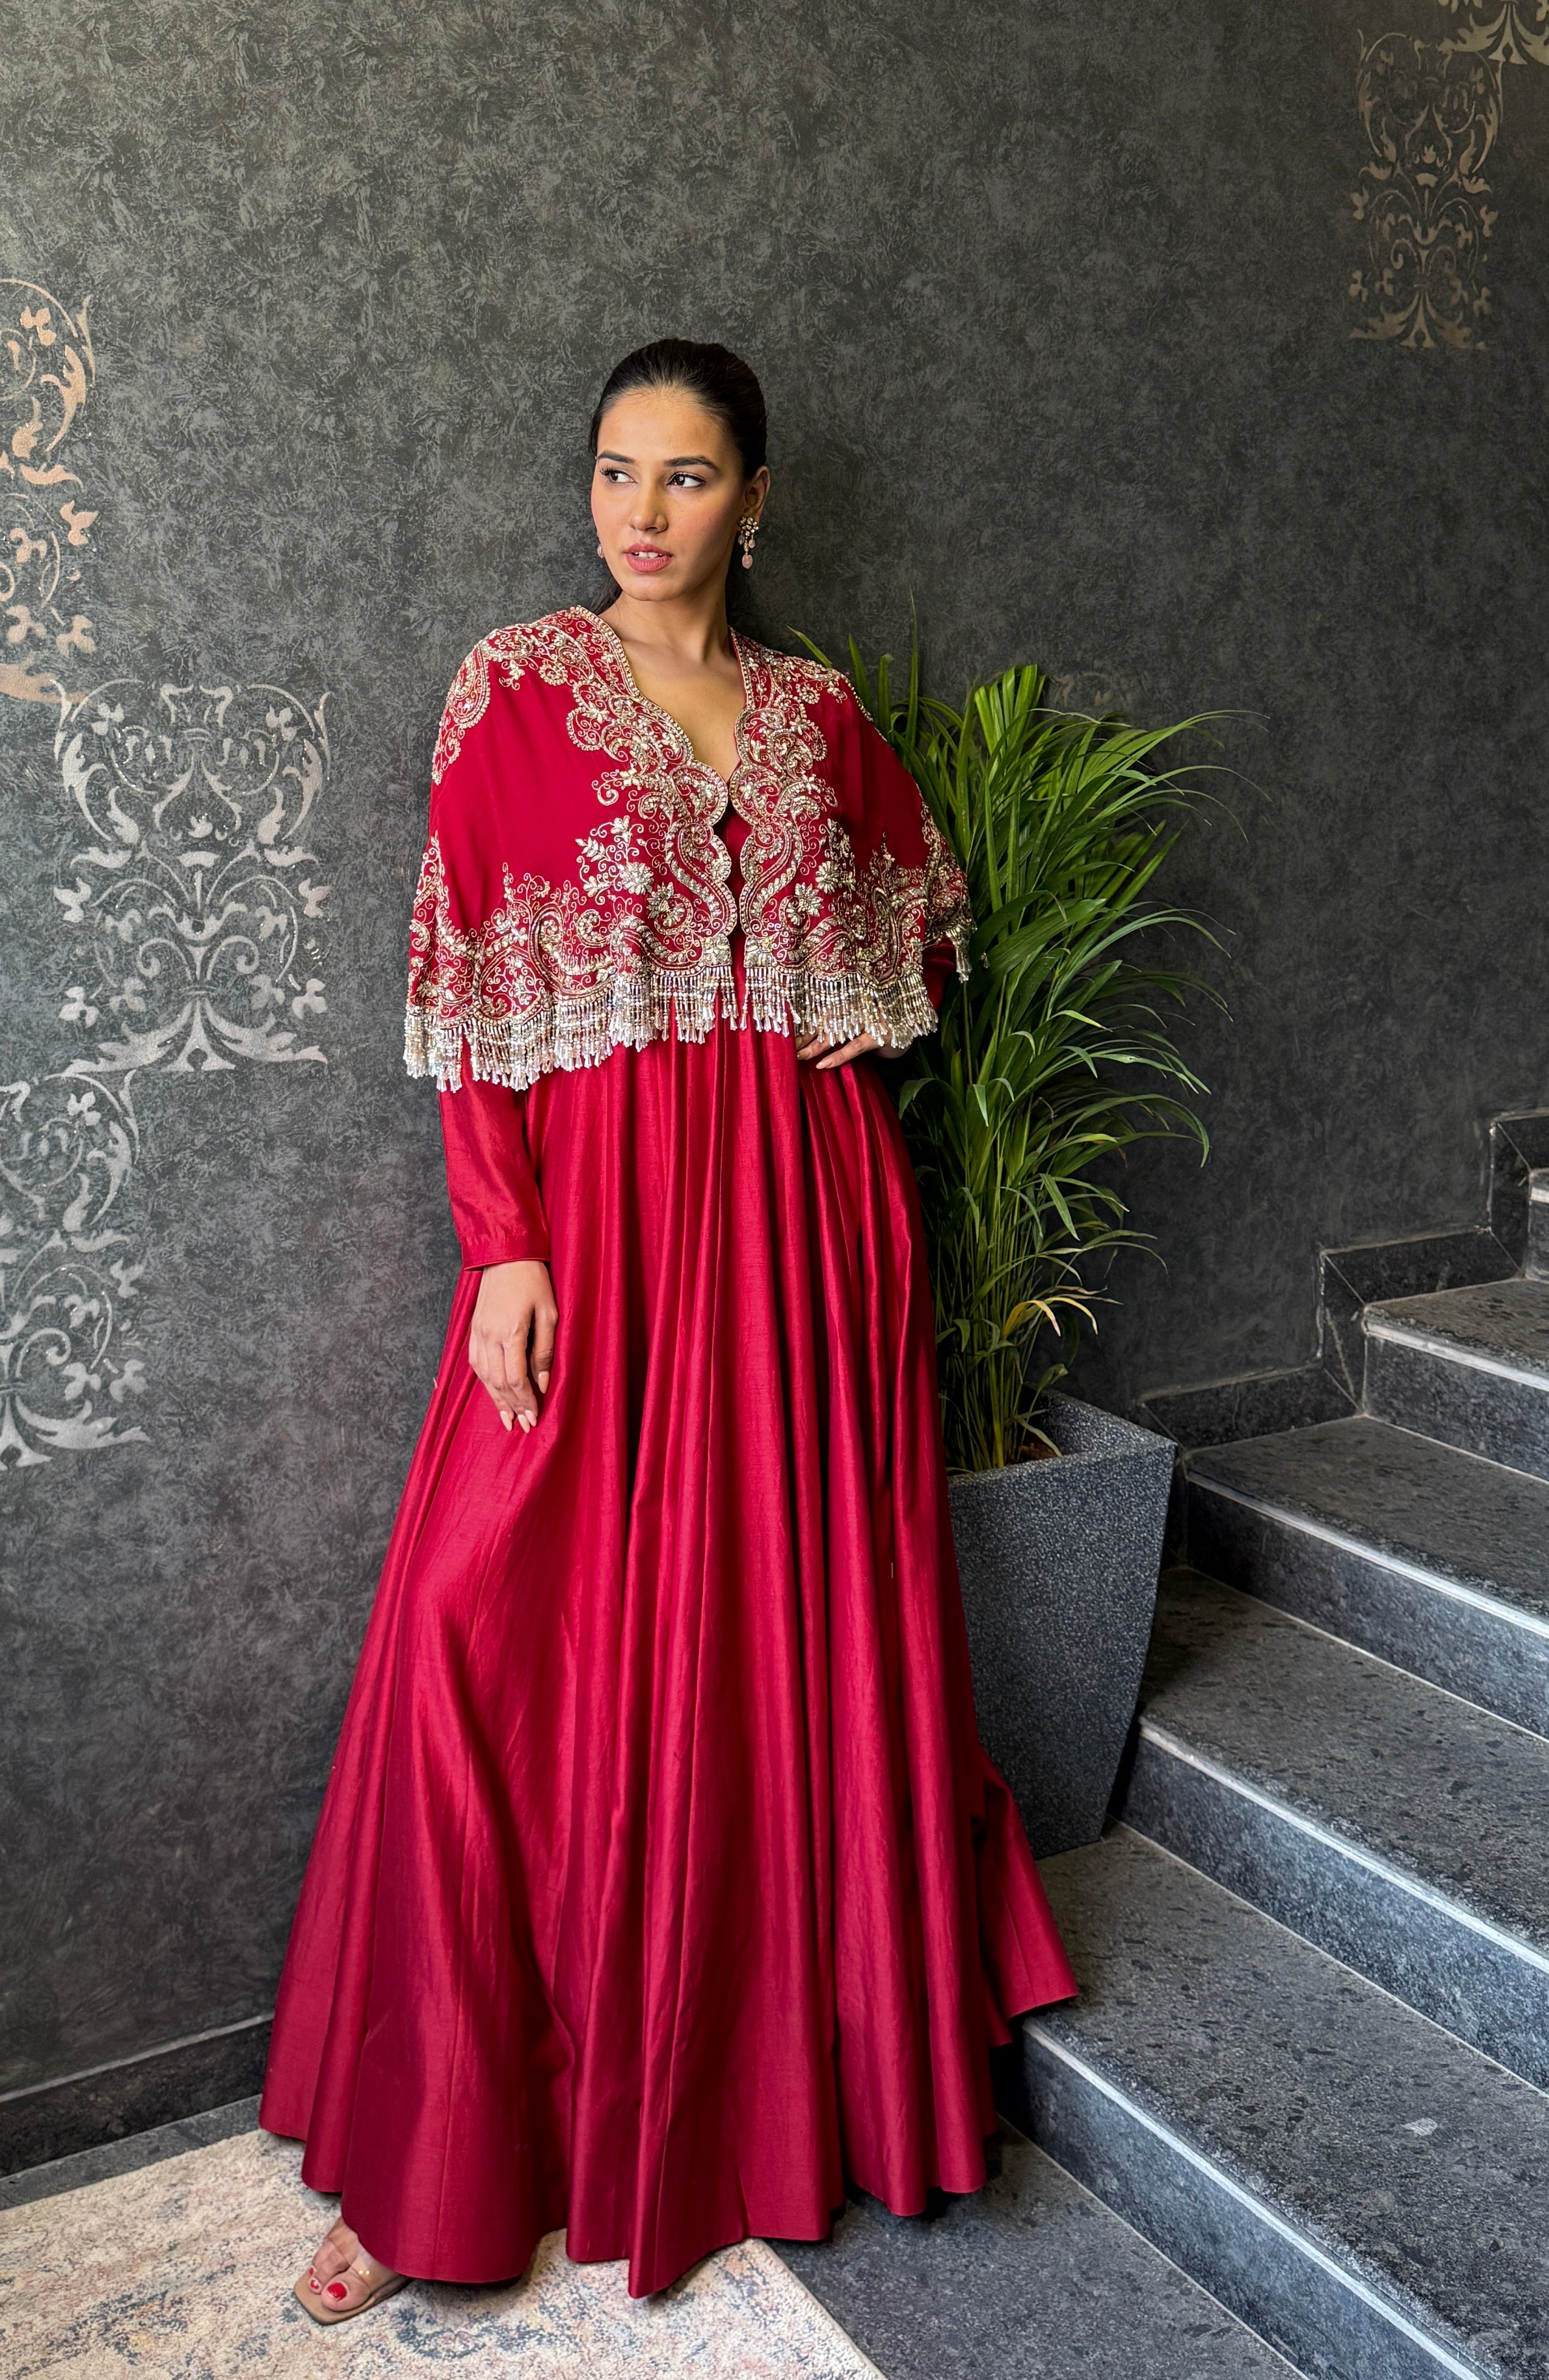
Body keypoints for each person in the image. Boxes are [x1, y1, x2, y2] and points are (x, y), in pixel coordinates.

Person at [261, 338, 1076, 2325]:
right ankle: (427, 2147)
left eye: (687, 476)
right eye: (617, 470)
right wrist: (503, 1249)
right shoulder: (519, 685)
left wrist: (870, 1001)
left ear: (756, 499)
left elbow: (926, 920)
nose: (641, 510)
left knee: (776, 1651)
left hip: (807, 1232)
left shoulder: (812, 715)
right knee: (481, 1630)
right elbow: (459, 975)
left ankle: (795, 2098)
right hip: (599, 1232)